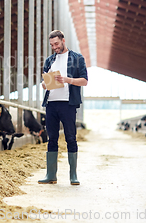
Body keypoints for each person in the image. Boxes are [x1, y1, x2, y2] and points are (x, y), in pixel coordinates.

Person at [38, 30, 88, 186]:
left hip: (68, 104)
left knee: (70, 138)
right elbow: (44, 82)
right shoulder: (49, 60)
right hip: (51, 104)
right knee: (51, 138)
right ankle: (50, 175)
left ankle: (73, 175)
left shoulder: (77, 58)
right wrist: (44, 84)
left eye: (57, 44)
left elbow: (84, 81)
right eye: (52, 45)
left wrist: (67, 79)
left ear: (63, 40)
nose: (54, 47)